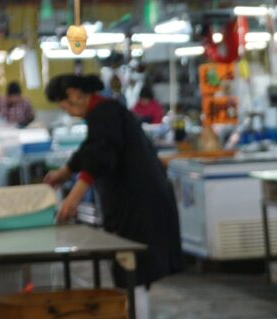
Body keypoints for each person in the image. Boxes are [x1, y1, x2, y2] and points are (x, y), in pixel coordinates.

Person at [42, 74, 183, 293]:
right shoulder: (105, 111)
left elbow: (101, 154)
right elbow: (91, 148)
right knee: (134, 267)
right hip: (140, 198)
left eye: (63, 106)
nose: (67, 112)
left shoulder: (104, 112)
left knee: (132, 266)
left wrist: (74, 197)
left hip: (136, 202)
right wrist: (65, 172)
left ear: (73, 94)